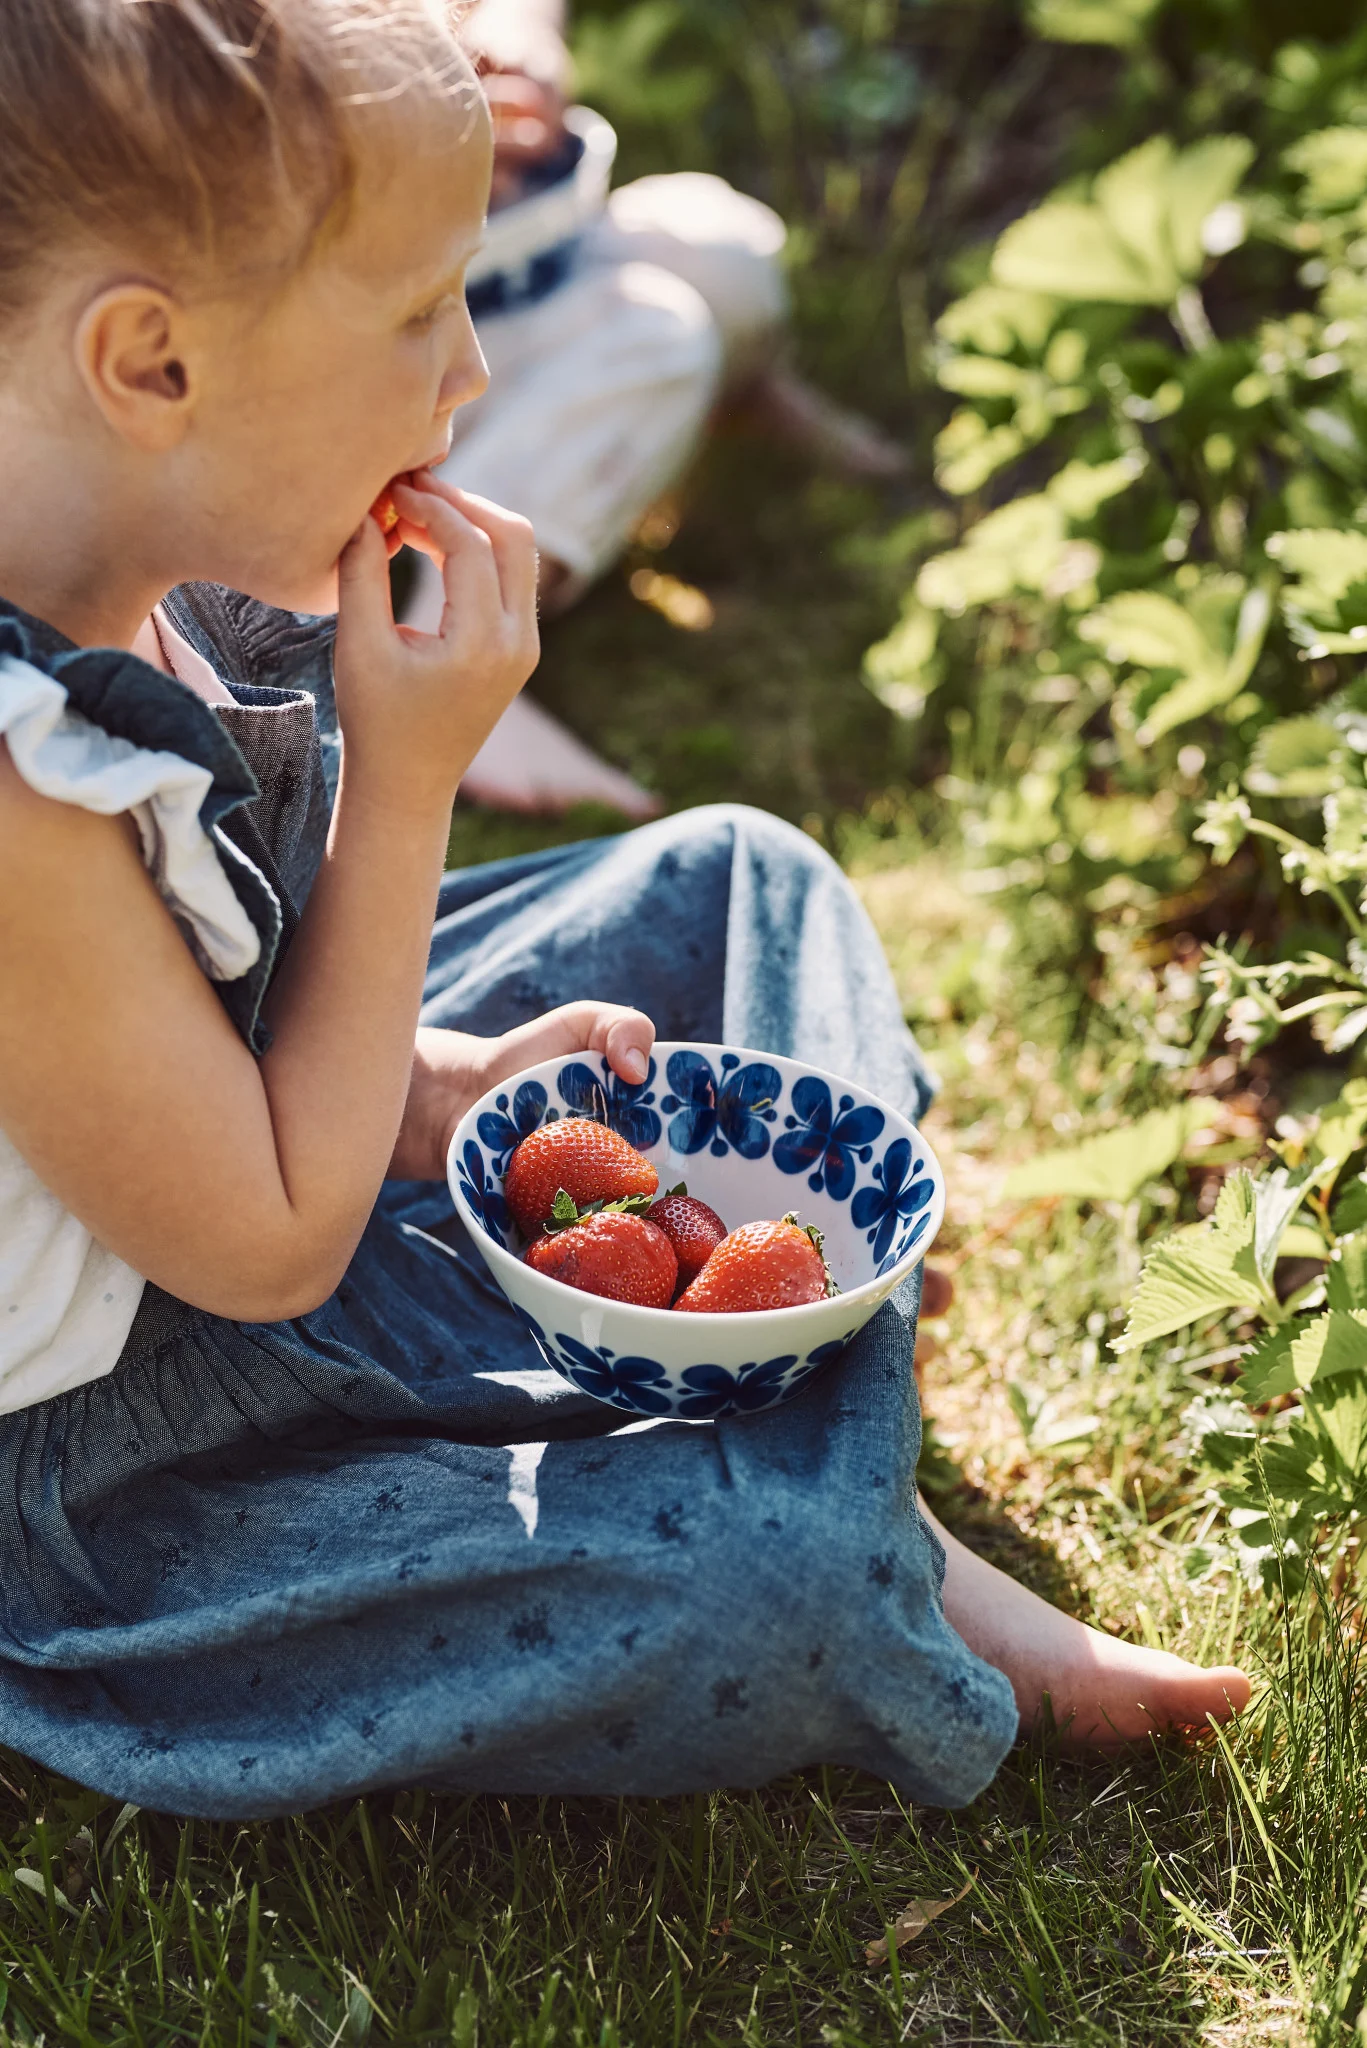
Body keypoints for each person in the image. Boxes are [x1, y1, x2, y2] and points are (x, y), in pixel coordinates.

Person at [0, 0, 1247, 1823]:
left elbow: (221, 1020)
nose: (470, 378)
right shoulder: (25, 789)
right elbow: (254, 1245)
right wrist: (408, 775)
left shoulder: (143, 543)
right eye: (419, 310)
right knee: (750, 1589)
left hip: (238, 1162)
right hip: (122, 1446)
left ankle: (767, 1391)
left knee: (737, 875)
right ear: (152, 363)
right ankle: (839, 1497)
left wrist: (438, 1081)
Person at [403, 0, 911, 817]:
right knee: (658, 336)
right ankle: (446, 651)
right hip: (388, 332)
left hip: (526, 258)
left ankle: (733, 399)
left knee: (717, 253)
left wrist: (519, 39)